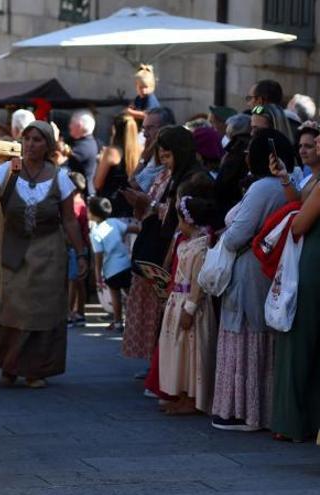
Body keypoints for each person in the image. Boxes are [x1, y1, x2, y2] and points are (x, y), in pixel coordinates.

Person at [0, 120, 88, 389]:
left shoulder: (60, 177)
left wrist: (81, 254)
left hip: (48, 251)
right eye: (27, 139)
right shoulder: (7, 171)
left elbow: (69, 220)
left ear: (48, 145)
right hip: (12, 250)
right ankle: (9, 366)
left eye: (37, 140)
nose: (31, 145)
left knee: (43, 310)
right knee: (9, 308)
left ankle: (35, 370)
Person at [211, 128, 292, 432]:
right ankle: (261, 409)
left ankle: (241, 410)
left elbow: (236, 236)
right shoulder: (289, 185)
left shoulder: (262, 188)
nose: (245, 155)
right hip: (271, 268)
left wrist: (224, 235)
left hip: (250, 268)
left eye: (250, 150)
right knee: (262, 337)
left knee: (244, 334)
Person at [120, 126, 203, 373]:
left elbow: (183, 215)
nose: (165, 162)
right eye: (162, 156)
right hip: (155, 245)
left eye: (168, 156)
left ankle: (166, 370)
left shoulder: (193, 178)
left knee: (166, 310)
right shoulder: (168, 175)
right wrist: (140, 204)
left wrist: (151, 205)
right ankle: (157, 366)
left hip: (175, 251)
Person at [271, 151, 320, 443]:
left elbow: (300, 223)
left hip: (312, 261)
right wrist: (286, 179)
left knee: (298, 340)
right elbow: (300, 202)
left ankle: (292, 421)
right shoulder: (314, 180)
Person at [157, 196, 216, 415]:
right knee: (177, 350)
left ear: (189, 221)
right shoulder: (185, 244)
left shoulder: (200, 248)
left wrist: (189, 309)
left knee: (191, 351)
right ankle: (180, 393)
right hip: (177, 302)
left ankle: (193, 398)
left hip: (190, 305)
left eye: (180, 219)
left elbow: (198, 283)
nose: (178, 224)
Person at [88, 196, 135, 332]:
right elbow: (132, 229)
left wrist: (98, 275)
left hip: (110, 270)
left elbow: (98, 257)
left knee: (115, 296)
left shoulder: (95, 232)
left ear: (94, 214)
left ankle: (118, 321)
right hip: (126, 265)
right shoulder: (114, 222)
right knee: (130, 294)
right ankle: (134, 319)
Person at [95, 113, 139, 218]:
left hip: (111, 207)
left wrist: (100, 161)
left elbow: (97, 183)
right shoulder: (140, 151)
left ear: (115, 129)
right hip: (131, 207)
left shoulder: (111, 152)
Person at [132, 107, 176, 193]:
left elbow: (134, 183)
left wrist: (144, 157)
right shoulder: (153, 152)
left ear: (165, 128)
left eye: (149, 128)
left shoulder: (165, 155)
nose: (144, 134)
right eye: (144, 128)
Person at [215, 114, 252, 216]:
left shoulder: (237, 149)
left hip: (232, 205)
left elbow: (224, 182)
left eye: (227, 132)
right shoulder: (245, 145)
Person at [67, 172, 89, 326]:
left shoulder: (74, 206)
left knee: (72, 282)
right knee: (80, 282)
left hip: (75, 248)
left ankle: (69, 312)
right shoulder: (82, 202)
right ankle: (80, 312)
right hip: (83, 247)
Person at [67, 110, 99, 195]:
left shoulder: (84, 146)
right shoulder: (84, 142)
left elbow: (62, 163)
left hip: (82, 196)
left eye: (71, 123)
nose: (69, 126)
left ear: (79, 126)